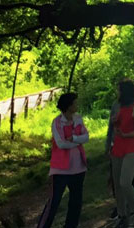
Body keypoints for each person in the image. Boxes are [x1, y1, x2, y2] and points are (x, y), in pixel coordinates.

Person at [36, 92, 88, 228]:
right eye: (75, 103)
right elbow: (61, 144)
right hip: (61, 169)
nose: (77, 105)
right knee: (54, 202)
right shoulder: (57, 122)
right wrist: (78, 141)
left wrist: (75, 139)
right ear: (68, 105)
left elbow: (86, 136)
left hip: (79, 168)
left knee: (76, 203)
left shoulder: (78, 119)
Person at [110, 80, 134, 228]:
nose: (117, 93)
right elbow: (119, 125)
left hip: (133, 149)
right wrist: (115, 123)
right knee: (117, 185)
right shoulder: (120, 107)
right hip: (118, 148)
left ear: (125, 92)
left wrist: (126, 134)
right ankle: (122, 215)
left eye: (119, 90)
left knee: (125, 182)